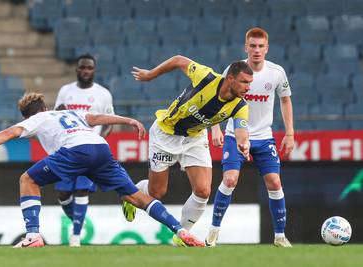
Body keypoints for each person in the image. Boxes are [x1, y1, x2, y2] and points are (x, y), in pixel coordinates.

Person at [0, 93, 205, 248]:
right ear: (44, 105)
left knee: (27, 179)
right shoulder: (70, 112)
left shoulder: (37, 118)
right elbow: (96, 119)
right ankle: (180, 230)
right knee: (135, 196)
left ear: (28, 114)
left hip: (76, 151)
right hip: (101, 148)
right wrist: (128, 120)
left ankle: (33, 235)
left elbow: (10, 132)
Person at [123, 55, 253, 247]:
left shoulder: (241, 106)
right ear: (230, 79)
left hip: (195, 138)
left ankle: (181, 236)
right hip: (165, 134)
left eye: (250, 83)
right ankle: (134, 193)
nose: (248, 87)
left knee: (203, 191)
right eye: (244, 82)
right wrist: (151, 75)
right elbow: (178, 60)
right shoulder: (206, 77)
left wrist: (244, 144)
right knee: (156, 192)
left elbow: (242, 132)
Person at [205, 27, 294, 248]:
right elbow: (217, 98)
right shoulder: (233, 70)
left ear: (267, 48)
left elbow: (285, 100)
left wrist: (290, 133)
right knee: (230, 179)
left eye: (260, 46)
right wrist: (215, 127)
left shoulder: (276, 73)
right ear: (246, 47)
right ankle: (213, 232)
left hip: (264, 137)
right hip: (235, 135)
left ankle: (280, 237)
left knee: (274, 182)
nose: (256, 50)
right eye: (252, 46)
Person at [54, 53, 115, 247]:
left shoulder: (103, 94)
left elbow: (109, 122)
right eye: (82, 67)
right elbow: (58, 114)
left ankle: (76, 236)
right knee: (63, 194)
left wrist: (98, 139)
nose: (86, 71)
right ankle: (77, 222)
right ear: (77, 69)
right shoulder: (65, 91)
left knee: (82, 190)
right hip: (68, 148)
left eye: (89, 68)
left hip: (89, 150)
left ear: (94, 70)